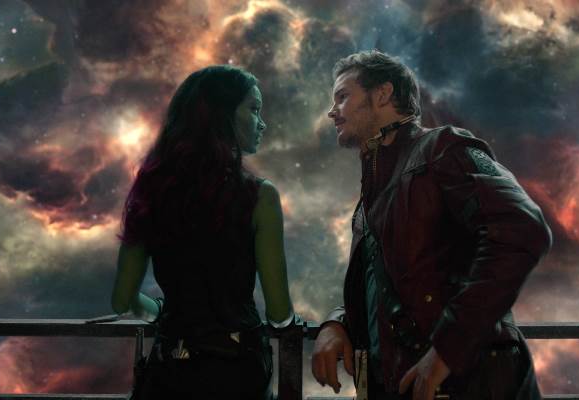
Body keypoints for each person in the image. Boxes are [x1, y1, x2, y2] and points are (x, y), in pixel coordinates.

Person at [311, 50, 553, 400]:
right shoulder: (371, 199)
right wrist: (337, 322)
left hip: (470, 386)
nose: (332, 111)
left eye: (343, 96)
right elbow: (385, 288)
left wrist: (447, 351)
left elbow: (523, 228)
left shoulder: (443, 148)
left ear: (382, 94)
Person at [110, 65, 296, 399]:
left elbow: (123, 301)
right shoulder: (259, 196)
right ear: (222, 115)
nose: (262, 123)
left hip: (170, 372)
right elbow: (279, 312)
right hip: (237, 374)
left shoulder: (152, 189)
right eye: (254, 109)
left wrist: (162, 310)